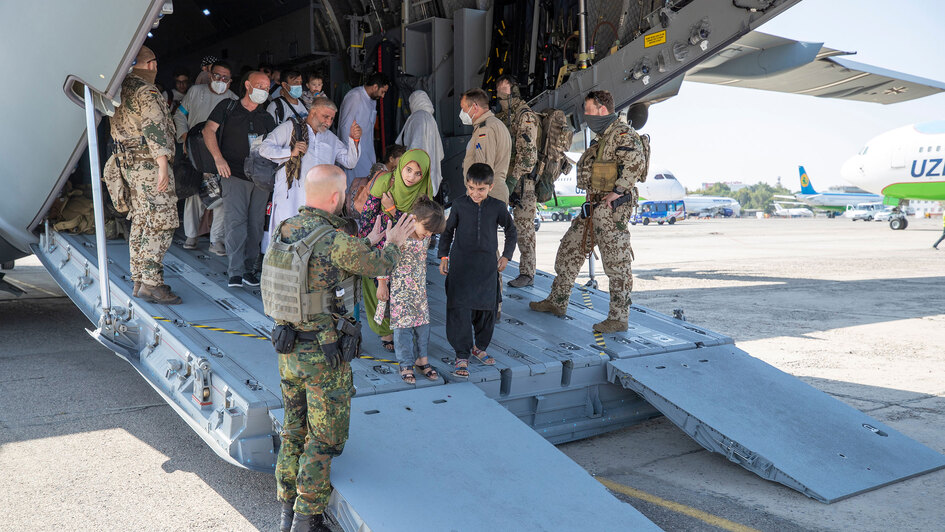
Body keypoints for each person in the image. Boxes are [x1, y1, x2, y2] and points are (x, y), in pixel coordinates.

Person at [267, 164, 415, 532]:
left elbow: (323, 270)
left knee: (294, 430)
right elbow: (379, 265)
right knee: (323, 438)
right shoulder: (334, 240)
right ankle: (306, 519)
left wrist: (367, 240)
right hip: (324, 356)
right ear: (336, 198)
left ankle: (285, 512)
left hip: (288, 351)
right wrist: (392, 242)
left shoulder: (287, 229)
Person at [529, 89, 646, 333]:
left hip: (611, 209)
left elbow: (636, 162)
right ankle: (557, 301)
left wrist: (619, 190)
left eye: (588, 108)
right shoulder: (601, 136)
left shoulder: (622, 133)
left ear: (602, 109)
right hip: (593, 206)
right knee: (569, 250)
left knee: (617, 264)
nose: (585, 114)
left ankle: (618, 318)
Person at [106, 45, 181, 304]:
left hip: (128, 166)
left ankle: (139, 279)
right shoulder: (145, 90)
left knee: (140, 219)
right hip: (149, 165)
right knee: (161, 220)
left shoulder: (119, 89)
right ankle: (152, 283)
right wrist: (163, 165)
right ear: (151, 64)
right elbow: (154, 126)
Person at [438, 163, 517, 378]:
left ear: (490, 187)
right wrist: (443, 257)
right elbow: (447, 233)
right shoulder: (459, 205)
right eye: (471, 188)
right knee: (460, 310)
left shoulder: (498, 207)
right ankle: (462, 355)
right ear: (466, 185)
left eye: (481, 189)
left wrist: (506, 256)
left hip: (486, 269)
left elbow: (511, 231)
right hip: (461, 268)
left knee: (486, 310)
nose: (475, 193)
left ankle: (479, 347)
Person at [202, 71, 277, 288]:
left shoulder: (266, 118)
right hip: (233, 174)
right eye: (259, 86)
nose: (264, 90)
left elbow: (275, 146)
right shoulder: (228, 107)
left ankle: (249, 268)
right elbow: (209, 131)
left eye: (266, 87)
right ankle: (235, 271)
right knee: (236, 223)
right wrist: (218, 159)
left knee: (255, 224)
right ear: (247, 85)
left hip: (260, 179)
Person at [260, 96, 362, 250]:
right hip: (290, 195)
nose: (328, 122)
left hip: (317, 200)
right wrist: (290, 152)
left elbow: (350, 161)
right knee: (285, 236)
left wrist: (354, 140)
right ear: (312, 112)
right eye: (325, 116)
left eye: (331, 119)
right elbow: (264, 149)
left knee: (311, 240)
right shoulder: (290, 128)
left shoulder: (330, 138)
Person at [356, 149, 433, 352]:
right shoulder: (384, 182)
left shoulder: (424, 193)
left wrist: (391, 210)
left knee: (400, 291)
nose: (411, 177)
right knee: (377, 290)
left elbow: (418, 227)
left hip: (407, 250)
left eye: (418, 173)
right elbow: (368, 216)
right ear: (401, 167)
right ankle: (384, 332)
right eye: (408, 170)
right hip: (380, 242)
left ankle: (401, 331)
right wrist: (367, 245)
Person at [173, 60, 238, 255]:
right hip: (194, 151)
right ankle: (191, 235)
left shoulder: (233, 100)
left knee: (221, 196)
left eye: (225, 78)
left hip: (220, 155)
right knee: (194, 193)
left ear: (230, 80)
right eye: (217, 76)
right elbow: (179, 115)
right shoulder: (195, 92)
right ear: (210, 75)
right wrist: (184, 138)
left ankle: (216, 240)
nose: (221, 80)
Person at [386, 197, 446, 383]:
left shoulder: (424, 235)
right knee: (402, 327)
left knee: (422, 325)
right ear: (414, 220)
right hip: (400, 290)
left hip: (419, 289)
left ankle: (422, 359)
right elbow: (384, 259)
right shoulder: (399, 233)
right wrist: (382, 284)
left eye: (432, 232)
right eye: (427, 229)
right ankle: (405, 363)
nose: (428, 234)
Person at [495, 76, 540, 288]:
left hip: (524, 183)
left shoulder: (525, 116)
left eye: (503, 91)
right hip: (507, 178)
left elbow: (528, 157)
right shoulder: (504, 116)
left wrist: (512, 181)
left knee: (524, 229)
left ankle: (528, 273)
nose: (500, 95)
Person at [460, 88, 511, 204]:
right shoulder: (494, 124)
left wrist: (476, 196)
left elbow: (483, 168)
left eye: (464, 109)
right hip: (491, 194)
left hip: (486, 196)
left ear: (475, 107)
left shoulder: (485, 129)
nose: (462, 113)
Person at [339, 72, 390, 185]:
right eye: (383, 92)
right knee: (354, 188)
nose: (383, 96)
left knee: (366, 186)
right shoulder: (355, 96)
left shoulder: (372, 100)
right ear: (375, 87)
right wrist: (350, 154)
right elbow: (344, 126)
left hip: (367, 152)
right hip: (353, 152)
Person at [396, 90, 445, 196]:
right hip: (429, 176)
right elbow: (440, 154)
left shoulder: (418, 117)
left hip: (417, 177)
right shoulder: (430, 118)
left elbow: (416, 147)